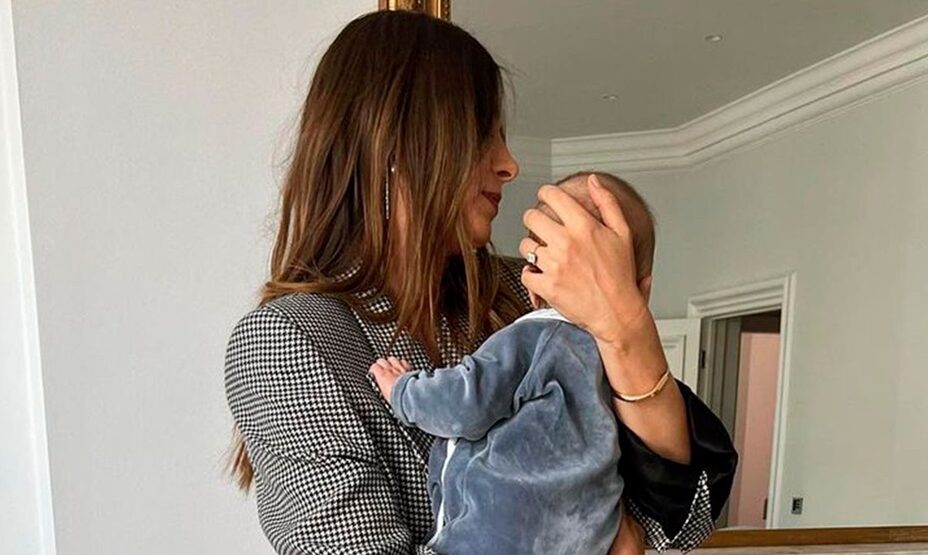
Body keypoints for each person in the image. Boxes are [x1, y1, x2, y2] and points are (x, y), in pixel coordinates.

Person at [224, 10, 737, 555]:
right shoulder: (289, 341)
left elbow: (681, 524)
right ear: (395, 146)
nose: (509, 164)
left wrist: (626, 327)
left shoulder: (527, 291)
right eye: (482, 134)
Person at [369, 172, 688, 555]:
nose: (510, 166)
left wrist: (404, 390)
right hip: (590, 536)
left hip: (495, 539)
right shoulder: (613, 366)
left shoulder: (536, 336)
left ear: (532, 282)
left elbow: (465, 403)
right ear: (643, 289)